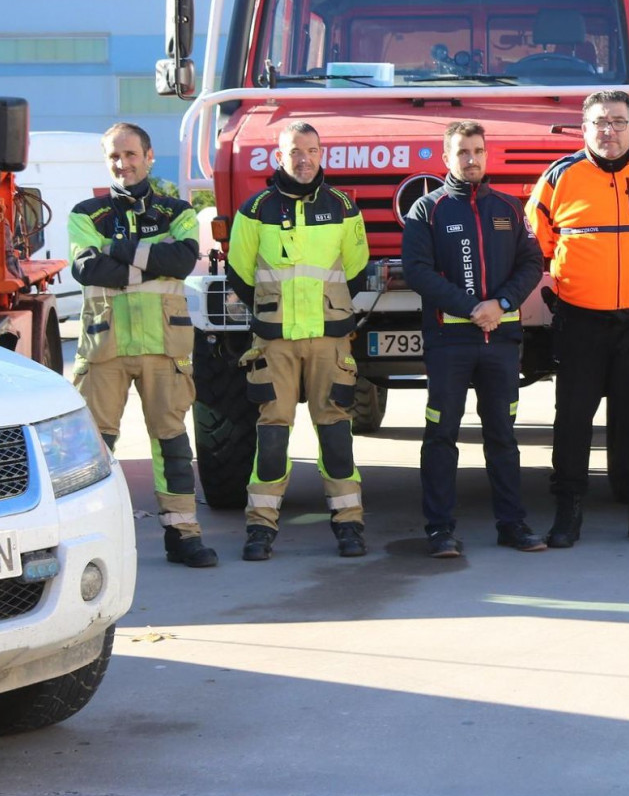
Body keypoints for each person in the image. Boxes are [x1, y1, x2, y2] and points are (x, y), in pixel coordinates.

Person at [526, 89, 629, 547]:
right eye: (600, 122)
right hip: (580, 321)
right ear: (584, 128)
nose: (610, 131)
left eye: (618, 121)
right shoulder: (561, 177)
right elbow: (536, 238)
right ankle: (568, 511)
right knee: (573, 419)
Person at [68, 122, 217, 568]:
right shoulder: (85, 213)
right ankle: (86, 539)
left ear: (149, 157)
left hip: (162, 347)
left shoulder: (177, 211)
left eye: (131, 154)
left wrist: (120, 250)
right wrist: (149, 261)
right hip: (105, 348)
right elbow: (88, 268)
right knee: (93, 448)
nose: (123, 163)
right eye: (114, 156)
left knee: (171, 441)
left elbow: (182, 259)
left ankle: (183, 535)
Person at [226, 122, 371, 561]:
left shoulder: (344, 207)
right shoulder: (256, 209)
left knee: (336, 436)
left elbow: (357, 269)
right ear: (279, 156)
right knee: (272, 439)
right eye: (294, 151)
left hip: (329, 340)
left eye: (311, 150)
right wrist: (275, 313)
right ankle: (260, 529)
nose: (304, 158)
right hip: (275, 342)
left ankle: (349, 526)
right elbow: (239, 272)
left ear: (321, 153)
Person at [402, 120, 546, 558]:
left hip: (501, 341)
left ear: (487, 154)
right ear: (446, 157)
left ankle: (512, 524)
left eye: (478, 151)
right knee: (441, 435)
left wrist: (499, 304)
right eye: (462, 152)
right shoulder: (427, 210)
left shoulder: (508, 208)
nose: (472, 159)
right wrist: (472, 308)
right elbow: (418, 271)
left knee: (502, 434)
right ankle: (440, 529)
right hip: (449, 343)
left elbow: (531, 263)